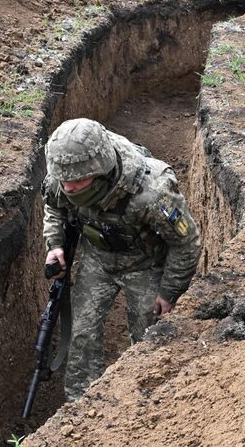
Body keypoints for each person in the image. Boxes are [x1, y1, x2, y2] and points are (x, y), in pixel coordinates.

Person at [42, 118, 202, 401]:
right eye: (64, 181)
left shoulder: (152, 192)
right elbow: (53, 207)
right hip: (98, 261)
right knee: (82, 334)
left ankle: (143, 403)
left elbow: (185, 242)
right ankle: (81, 405)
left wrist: (169, 292)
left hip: (145, 265)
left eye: (77, 182)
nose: (68, 188)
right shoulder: (65, 173)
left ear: (99, 171)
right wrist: (54, 244)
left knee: (148, 339)